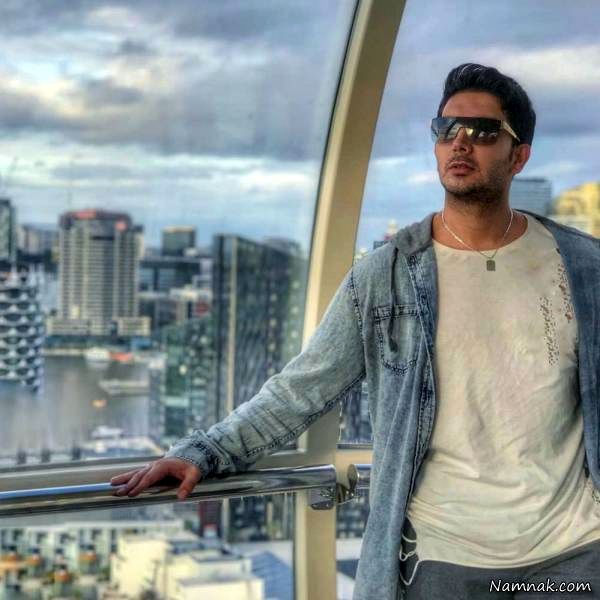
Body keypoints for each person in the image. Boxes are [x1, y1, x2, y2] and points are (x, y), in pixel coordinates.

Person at [110, 63, 600, 599]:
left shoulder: (582, 266)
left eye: (483, 132)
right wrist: (202, 453)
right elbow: (301, 388)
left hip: (574, 553)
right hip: (444, 559)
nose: (460, 143)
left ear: (519, 155)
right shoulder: (387, 276)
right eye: (447, 129)